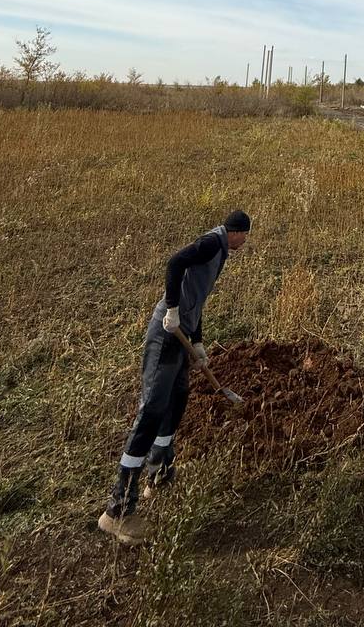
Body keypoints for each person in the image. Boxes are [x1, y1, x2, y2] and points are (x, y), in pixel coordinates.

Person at [97, 209, 251, 543]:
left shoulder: (220, 251)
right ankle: (117, 511)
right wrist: (170, 309)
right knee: (151, 411)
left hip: (182, 336)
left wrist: (197, 341)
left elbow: (195, 298)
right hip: (165, 335)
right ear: (237, 233)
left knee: (177, 401)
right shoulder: (211, 244)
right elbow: (174, 264)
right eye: (245, 237)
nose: (245, 243)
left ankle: (160, 473)